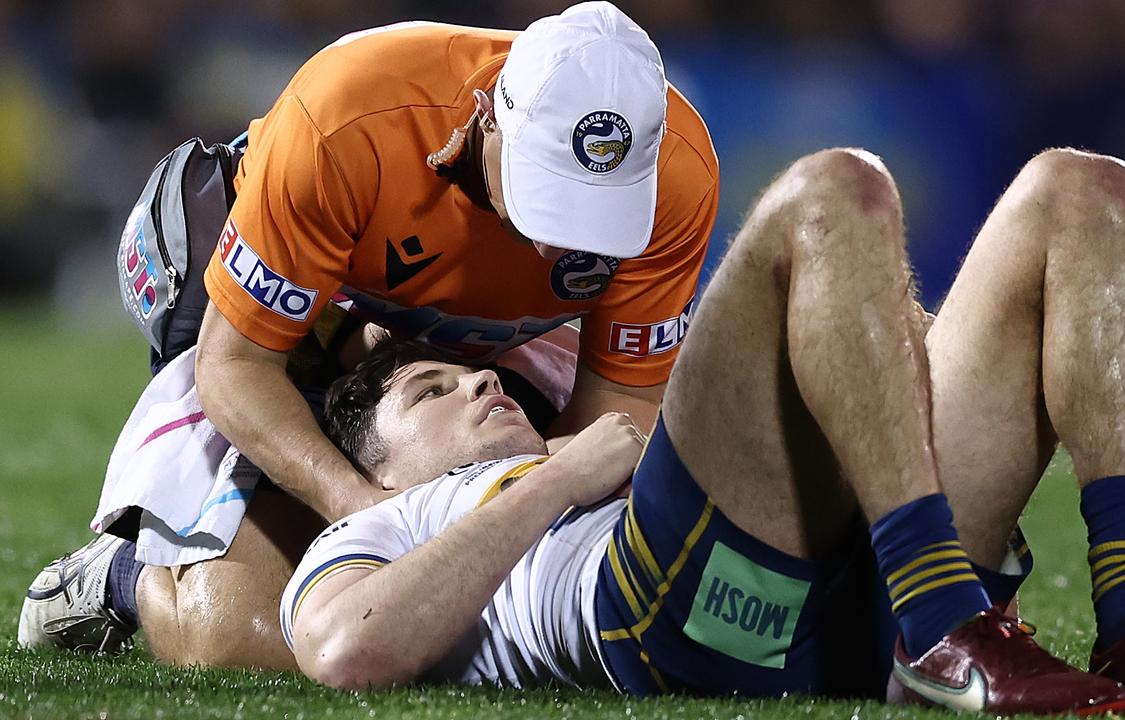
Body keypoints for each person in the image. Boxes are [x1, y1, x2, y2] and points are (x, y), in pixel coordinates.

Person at [280, 148, 1125, 713]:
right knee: (830, 192)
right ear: (382, 469)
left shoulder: (586, 443)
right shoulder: (370, 535)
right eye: (429, 392)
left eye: (468, 370)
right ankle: (937, 624)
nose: (479, 386)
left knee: (1085, 189)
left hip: (852, 592)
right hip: (691, 620)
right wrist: (554, 475)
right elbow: (342, 653)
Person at [19, 1, 716, 665]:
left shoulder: (679, 177)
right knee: (243, 633)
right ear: (485, 119)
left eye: (599, 213)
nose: (561, 241)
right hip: (298, 333)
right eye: (547, 193)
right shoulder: (348, 117)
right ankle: (124, 574)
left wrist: (496, 535)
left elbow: (613, 414)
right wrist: (366, 513)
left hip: (498, 346)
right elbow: (237, 367)